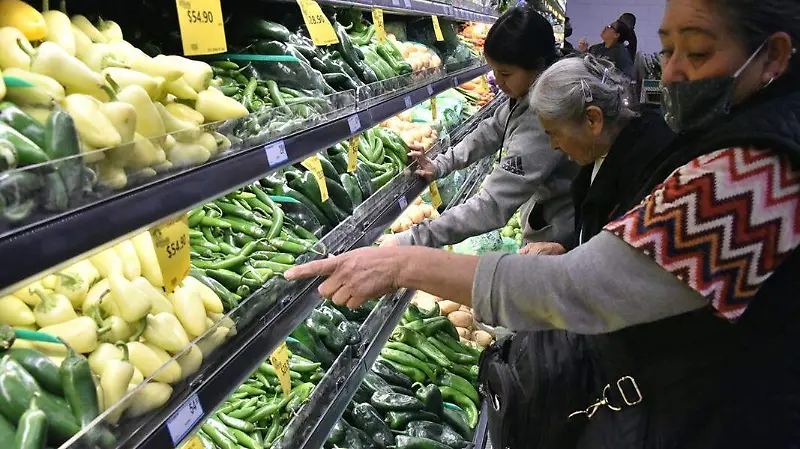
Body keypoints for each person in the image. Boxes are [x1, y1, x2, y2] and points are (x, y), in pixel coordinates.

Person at [286, 0, 800, 446]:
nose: (670, 74)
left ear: (773, 56)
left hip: (722, 416)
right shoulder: (740, 135)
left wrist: (403, 261)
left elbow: (577, 289)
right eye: (667, 51)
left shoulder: (755, 174)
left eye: (698, 52)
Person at [380, 6, 578, 251]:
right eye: (494, 71)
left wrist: (409, 239)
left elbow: (492, 205)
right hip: (545, 213)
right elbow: (493, 129)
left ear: (537, 66)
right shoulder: (531, 91)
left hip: (559, 233)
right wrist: (442, 164)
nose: (499, 81)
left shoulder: (543, 117)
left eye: (505, 73)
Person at [518, 54, 676, 256]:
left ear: (593, 119)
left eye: (555, 133)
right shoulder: (605, 148)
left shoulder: (647, 176)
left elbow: (622, 263)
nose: (553, 145)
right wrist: (566, 247)